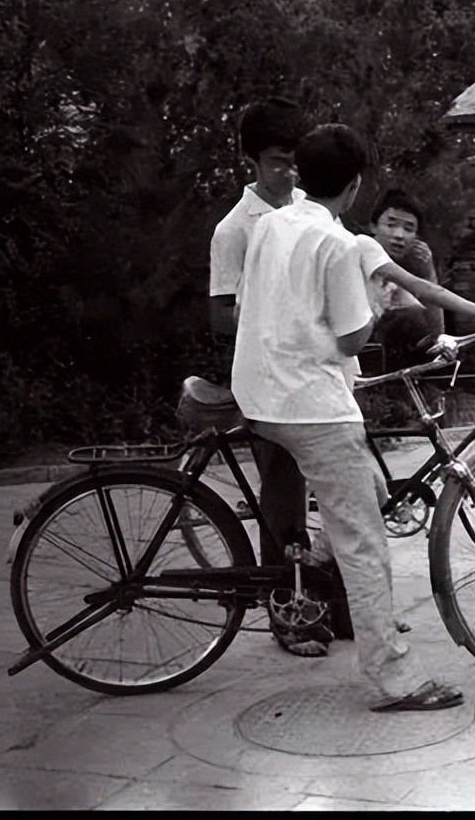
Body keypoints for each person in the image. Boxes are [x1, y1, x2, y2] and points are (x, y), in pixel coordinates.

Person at [232, 122, 462, 712]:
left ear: (301, 175)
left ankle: (314, 580)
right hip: (310, 405)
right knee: (364, 539)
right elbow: (350, 339)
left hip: (258, 393)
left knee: (354, 504)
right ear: (356, 185)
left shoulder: (269, 224)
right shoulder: (336, 244)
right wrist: (379, 306)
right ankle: (394, 676)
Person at [208, 97, 339, 657]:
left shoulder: (313, 209)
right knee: (284, 497)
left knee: (337, 492)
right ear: (253, 163)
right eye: (277, 162)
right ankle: (286, 615)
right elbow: (219, 316)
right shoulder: (235, 229)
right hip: (268, 381)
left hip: (317, 375)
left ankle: (340, 605)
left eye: (295, 162)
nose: (288, 174)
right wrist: (276, 319)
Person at [365, 188, 445, 371]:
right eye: (391, 225)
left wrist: (428, 273)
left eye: (409, 229)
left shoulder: (411, 267)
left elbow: (435, 335)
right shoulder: (356, 257)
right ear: (373, 226)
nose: (399, 235)